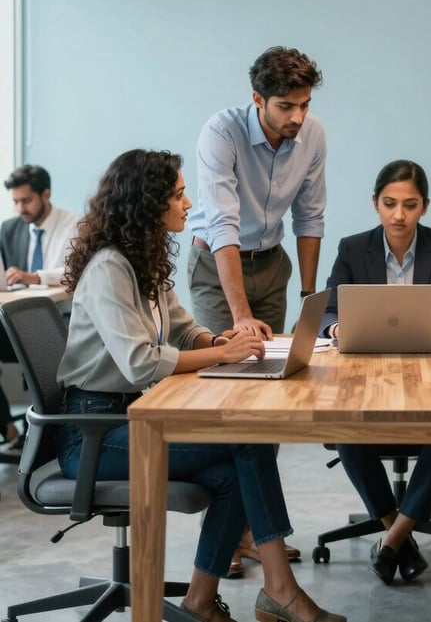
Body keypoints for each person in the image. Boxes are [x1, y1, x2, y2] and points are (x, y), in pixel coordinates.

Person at [57, 149, 345, 622]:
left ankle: (201, 601)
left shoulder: (142, 260)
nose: (189, 203)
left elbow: (182, 327)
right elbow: (139, 363)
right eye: (177, 194)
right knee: (246, 442)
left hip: (129, 418)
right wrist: (222, 355)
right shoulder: (110, 268)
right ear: (147, 204)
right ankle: (280, 590)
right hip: (93, 432)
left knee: (235, 472)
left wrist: (220, 338)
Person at [187, 46, 325, 571]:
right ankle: (228, 533)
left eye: (304, 105)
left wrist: (312, 302)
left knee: (271, 398)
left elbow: (310, 218)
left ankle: (251, 527)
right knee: (227, 392)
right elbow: (221, 224)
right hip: (217, 267)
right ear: (257, 99)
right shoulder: (220, 133)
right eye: (286, 106)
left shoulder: (312, 135)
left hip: (273, 264)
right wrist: (240, 314)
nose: (297, 117)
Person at [321, 159, 431, 585]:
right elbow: (328, 310)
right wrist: (338, 327)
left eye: (409, 205)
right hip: (366, 376)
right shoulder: (353, 248)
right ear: (375, 203)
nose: (398, 215)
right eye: (389, 203)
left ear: (424, 207)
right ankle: (401, 536)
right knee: (346, 431)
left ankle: (391, 540)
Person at [0, 164, 79, 457]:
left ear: (46, 194)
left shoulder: (74, 225)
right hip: (14, 322)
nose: (21, 208)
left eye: (26, 200)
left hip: (59, 323)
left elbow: (75, 273)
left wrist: (35, 277)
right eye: (16, 201)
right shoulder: (10, 228)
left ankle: (44, 438)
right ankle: (7, 425)